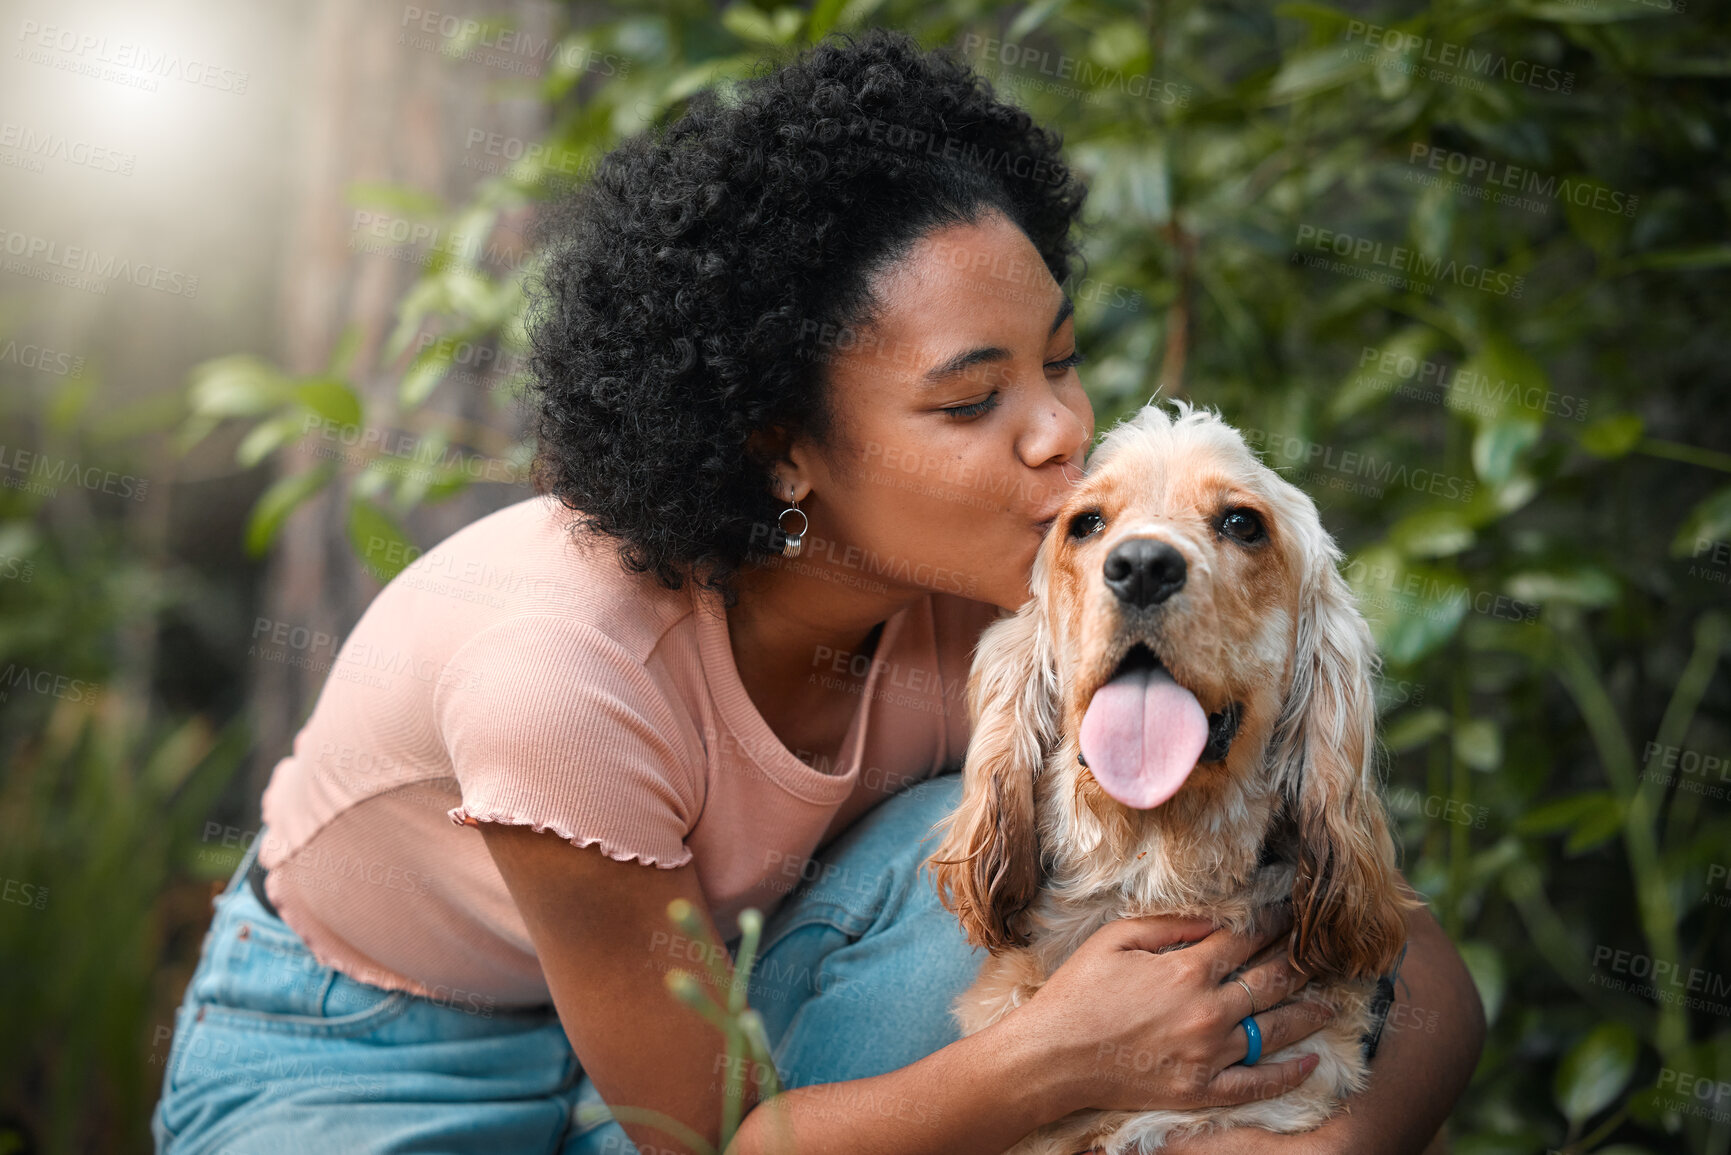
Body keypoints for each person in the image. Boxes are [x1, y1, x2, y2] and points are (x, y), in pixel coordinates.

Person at [152, 28, 1483, 1155]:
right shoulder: (558, 674)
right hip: (369, 1054)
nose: (1057, 436)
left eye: (1060, 365)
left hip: (725, 1000)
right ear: (779, 444)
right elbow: (708, 1140)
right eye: (973, 400)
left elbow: (1401, 951)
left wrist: (1329, 1144)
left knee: (1013, 843)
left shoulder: (1032, 578)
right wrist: (1061, 1060)